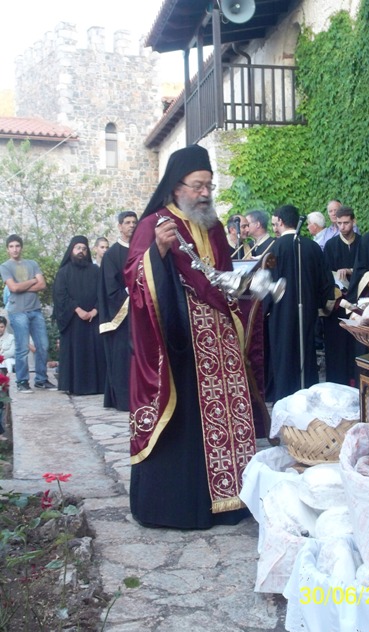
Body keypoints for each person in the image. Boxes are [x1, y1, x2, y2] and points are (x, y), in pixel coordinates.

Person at [124, 144, 258, 530]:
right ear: (176, 186)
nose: (204, 193)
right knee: (186, 421)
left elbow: (224, 275)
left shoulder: (213, 226)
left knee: (226, 416)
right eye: (198, 185)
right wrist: (158, 251)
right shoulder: (154, 224)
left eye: (208, 186)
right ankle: (181, 507)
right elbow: (133, 277)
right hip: (179, 343)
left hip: (221, 339)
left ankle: (230, 500)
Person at [265, 204, 334, 402]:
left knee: (284, 356)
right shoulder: (312, 247)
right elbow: (325, 282)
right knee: (306, 354)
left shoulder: (275, 248)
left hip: (281, 314)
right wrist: (321, 305)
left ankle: (285, 400)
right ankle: (308, 400)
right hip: (308, 312)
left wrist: (265, 310)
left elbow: (267, 283)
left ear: (280, 221)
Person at [0, 234, 56, 392]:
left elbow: (42, 285)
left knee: (43, 345)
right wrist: (32, 281)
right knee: (22, 348)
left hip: (35, 310)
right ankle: (22, 381)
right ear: (7, 249)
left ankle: (41, 379)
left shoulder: (32, 264)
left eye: (17, 246)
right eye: (11, 246)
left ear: (21, 247)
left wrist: (22, 286)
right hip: (17, 311)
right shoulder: (5, 266)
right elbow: (13, 288)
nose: (15, 249)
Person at [53, 236, 106, 395]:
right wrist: (77, 309)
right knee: (76, 352)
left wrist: (95, 310)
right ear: (71, 250)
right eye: (78, 248)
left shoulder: (96, 271)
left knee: (95, 352)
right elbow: (60, 296)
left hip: (93, 319)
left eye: (84, 249)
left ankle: (97, 386)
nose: (81, 251)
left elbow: (103, 293)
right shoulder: (63, 273)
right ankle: (75, 386)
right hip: (73, 321)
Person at [98, 211, 138, 411]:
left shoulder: (144, 249)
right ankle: (124, 399)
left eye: (134, 222)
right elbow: (110, 287)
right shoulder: (112, 255)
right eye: (127, 222)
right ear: (120, 226)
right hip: (123, 316)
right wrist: (132, 293)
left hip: (144, 313)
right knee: (123, 357)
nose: (131, 225)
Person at [323, 206, 361, 386]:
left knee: (357, 344)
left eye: (346, 223)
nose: (343, 227)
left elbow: (368, 268)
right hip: (338, 302)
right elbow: (326, 273)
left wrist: (351, 271)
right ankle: (338, 383)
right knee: (337, 344)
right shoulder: (330, 245)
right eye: (339, 223)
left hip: (359, 301)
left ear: (353, 221)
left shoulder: (363, 243)